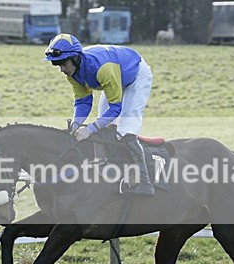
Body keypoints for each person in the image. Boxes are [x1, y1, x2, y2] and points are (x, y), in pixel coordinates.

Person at [43, 33, 154, 196]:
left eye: (63, 64)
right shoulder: (72, 73)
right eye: (57, 65)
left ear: (75, 59)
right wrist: (75, 124)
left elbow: (115, 109)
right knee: (105, 128)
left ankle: (144, 181)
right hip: (115, 76)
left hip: (135, 75)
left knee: (126, 127)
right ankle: (110, 168)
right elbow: (83, 102)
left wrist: (89, 130)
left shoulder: (103, 69)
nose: (62, 69)